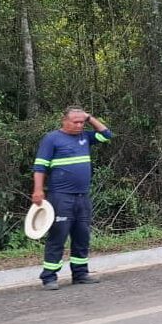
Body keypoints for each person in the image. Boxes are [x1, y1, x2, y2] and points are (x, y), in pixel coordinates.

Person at [32, 106, 114, 290]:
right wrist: (38, 190)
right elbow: (40, 166)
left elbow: (107, 135)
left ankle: (80, 274)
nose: (79, 125)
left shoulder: (85, 137)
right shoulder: (52, 139)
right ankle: (49, 277)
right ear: (64, 121)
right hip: (61, 197)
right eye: (75, 122)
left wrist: (90, 117)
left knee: (82, 235)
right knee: (58, 235)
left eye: (81, 122)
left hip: (82, 197)